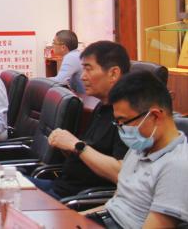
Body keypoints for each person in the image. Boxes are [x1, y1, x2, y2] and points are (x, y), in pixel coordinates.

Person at [86, 71, 188, 228]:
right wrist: (74, 218)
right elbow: (115, 205)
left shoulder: (177, 166)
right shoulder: (140, 147)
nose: (122, 129)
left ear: (155, 116)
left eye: (124, 122)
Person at [31, 41, 130, 199]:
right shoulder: (102, 105)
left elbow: (121, 173)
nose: (82, 77)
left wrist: (77, 145)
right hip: (60, 186)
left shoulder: (128, 114)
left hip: (77, 198)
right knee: (4, 182)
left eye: (88, 69)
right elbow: (89, 152)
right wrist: (66, 147)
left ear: (113, 73)